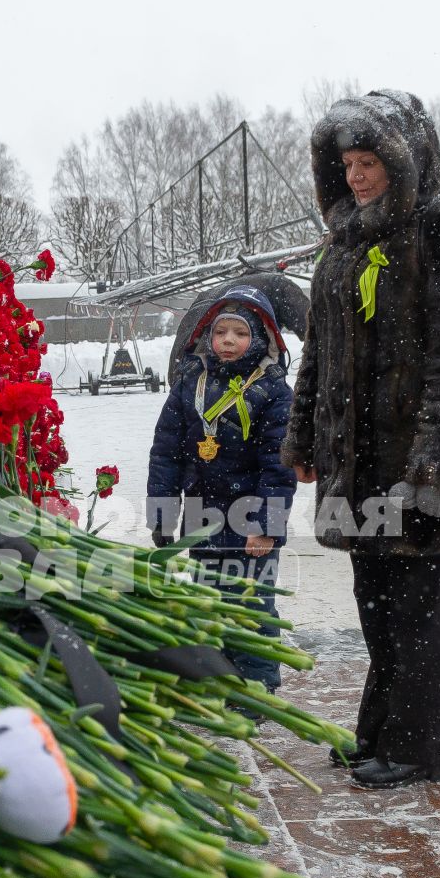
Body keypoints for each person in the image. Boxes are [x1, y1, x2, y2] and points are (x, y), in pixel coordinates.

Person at [281, 90, 440, 790]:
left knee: (420, 606)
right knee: (376, 601)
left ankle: (420, 745)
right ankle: (381, 730)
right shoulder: (347, 240)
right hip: (359, 461)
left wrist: (439, 465)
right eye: (346, 162)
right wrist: (304, 437)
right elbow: (317, 350)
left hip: (418, 461)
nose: (356, 175)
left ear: (406, 159)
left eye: (370, 160)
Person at [146, 285, 295, 693]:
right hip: (201, 518)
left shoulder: (274, 392)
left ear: (261, 339)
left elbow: (278, 467)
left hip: (250, 524)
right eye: (220, 332)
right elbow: (166, 452)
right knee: (209, 603)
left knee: (250, 605)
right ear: (206, 337)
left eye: (241, 333)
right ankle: (223, 682)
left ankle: (258, 687)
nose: (228, 341)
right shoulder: (189, 384)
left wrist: (267, 525)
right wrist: (162, 514)